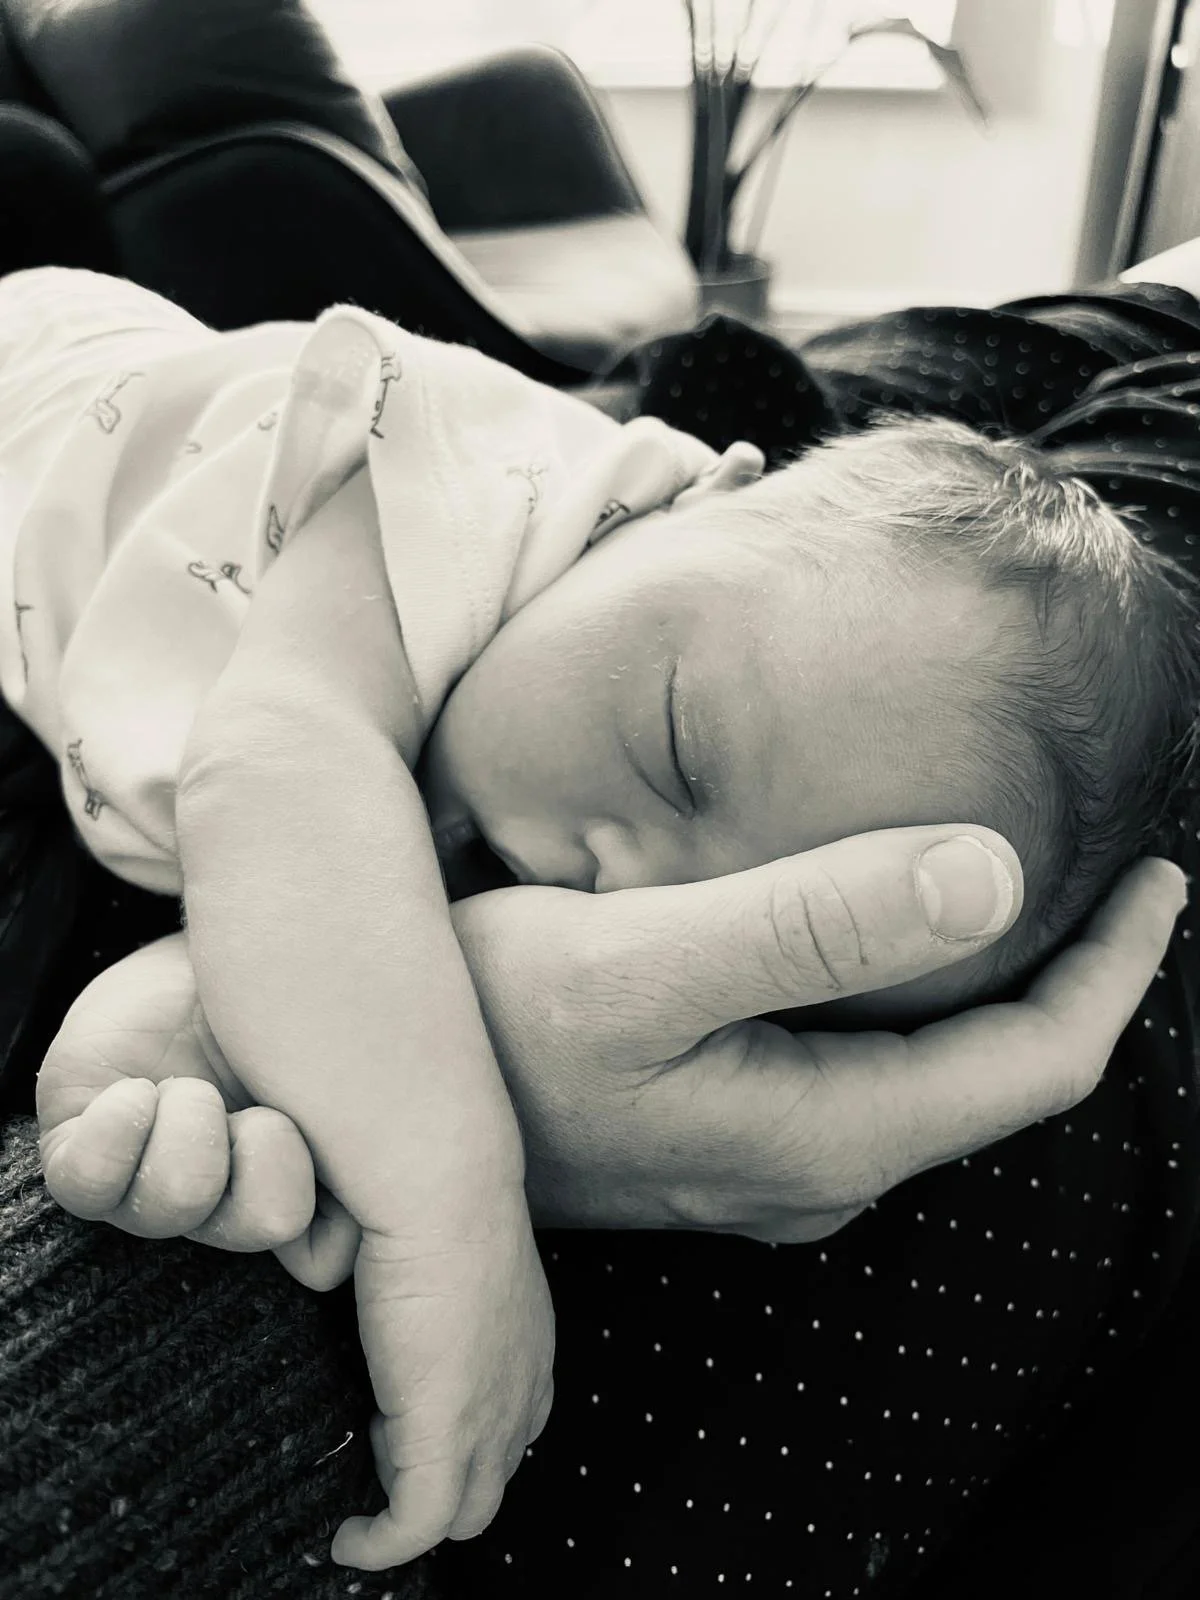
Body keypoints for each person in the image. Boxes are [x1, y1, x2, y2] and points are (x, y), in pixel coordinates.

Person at [0, 105, 1195, 1600]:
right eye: (677, 744)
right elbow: (281, 769)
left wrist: (178, 1045)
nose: (614, 891)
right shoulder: (466, 482)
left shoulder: (561, 759)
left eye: (729, 920)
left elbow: (295, 931)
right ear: (698, 492)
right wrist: (452, 1210)